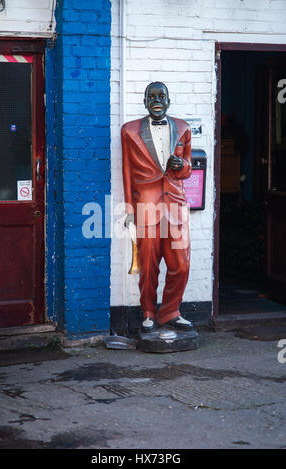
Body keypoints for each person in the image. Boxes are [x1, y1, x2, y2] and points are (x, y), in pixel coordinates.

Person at [121, 81, 194, 333]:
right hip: (146, 206)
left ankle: (171, 312)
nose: (157, 100)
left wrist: (180, 166)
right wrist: (129, 210)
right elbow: (127, 172)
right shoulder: (129, 131)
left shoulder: (183, 128)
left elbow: (188, 168)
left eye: (162, 96)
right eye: (151, 96)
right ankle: (149, 312)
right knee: (148, 264)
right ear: (144, 101)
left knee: (181, 264)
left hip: (175, 205)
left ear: (169, 100)